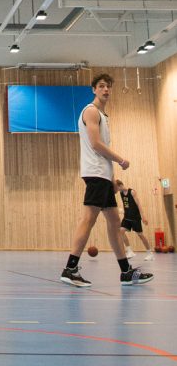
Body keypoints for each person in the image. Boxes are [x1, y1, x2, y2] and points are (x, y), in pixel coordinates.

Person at [60, 73, 153, 288]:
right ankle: (70, 268)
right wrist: (120, 159)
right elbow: (95, 144)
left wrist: (112, 178)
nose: (106, 90)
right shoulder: (91, 112)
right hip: (94, 174)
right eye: (101, 86)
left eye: (109, 86)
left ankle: (126, 272)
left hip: (103, 175)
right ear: (94, 89)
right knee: (88, 220)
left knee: (113, 222)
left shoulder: (104, 115)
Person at [116, 179, 154, 261]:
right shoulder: (121, 193)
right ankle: (130, 251)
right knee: (121, 231)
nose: (117, 190)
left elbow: (138, 204)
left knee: (140, 235)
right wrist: (123, 210)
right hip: (127, 217)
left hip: (135, 217)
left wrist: (143, 216)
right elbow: (125, 204)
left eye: (117, 188)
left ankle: (150, 253)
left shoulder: (132, 192)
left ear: (120, 185)